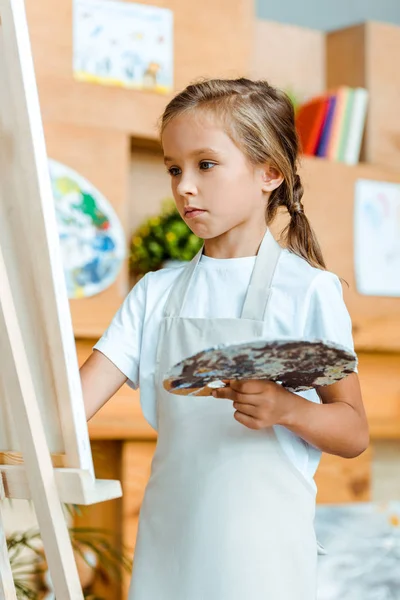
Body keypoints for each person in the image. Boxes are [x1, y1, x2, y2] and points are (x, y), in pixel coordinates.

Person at [80, 78, 369, 599]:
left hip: (262, 554)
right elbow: (72, 407)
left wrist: (286, 407)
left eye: (205, 165)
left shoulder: (308, 291)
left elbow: (352, 432)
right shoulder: (156, 294)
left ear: (270, 172)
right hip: (170, 541)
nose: (184, 186)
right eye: (174, 168)